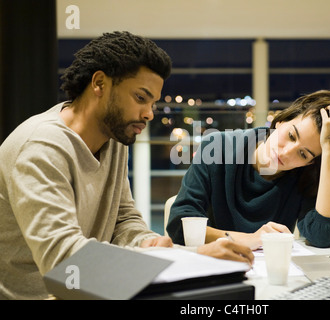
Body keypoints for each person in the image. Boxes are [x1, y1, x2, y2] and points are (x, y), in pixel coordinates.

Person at [0, 31, 253, 300]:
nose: (149, 113)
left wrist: (147, 242)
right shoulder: (41, 147)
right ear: (99, 83)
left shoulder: (113, 137)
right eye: (141, 98)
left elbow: (123, 219)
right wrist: (191, 257)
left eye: (153, 103)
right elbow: (65, 262)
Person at [167, 90, 330, 250]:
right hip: (214, 268)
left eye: (304, 154)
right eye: (291, 135)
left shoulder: (304, 175)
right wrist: (250, 239)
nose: (287, 153)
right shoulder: (218, 147)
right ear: (280, 122)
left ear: (309, 163)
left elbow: (324, 236)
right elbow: (180, 226)